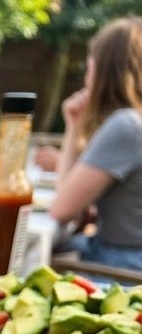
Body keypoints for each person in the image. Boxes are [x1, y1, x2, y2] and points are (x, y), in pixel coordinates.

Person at [49, 16, 142, 272]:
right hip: (125, 257)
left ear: (102, 68)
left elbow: (61, 210)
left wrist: (72, 130)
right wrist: (75, 126)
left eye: (88, 63)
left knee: (23, 257)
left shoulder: (126, 125)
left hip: (124, 268)